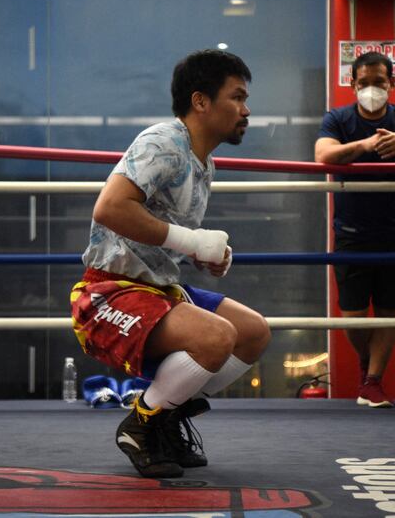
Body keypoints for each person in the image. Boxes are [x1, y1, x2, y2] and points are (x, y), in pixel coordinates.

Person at [70, 49, 270, 477]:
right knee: (217, 338)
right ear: (201, 101)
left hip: (157, 289)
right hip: (108, 294)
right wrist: (191, 240)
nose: (245, 109)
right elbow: (109, 208)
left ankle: (168, 412)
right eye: (236, 97)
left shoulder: (204, 163)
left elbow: (165, 234)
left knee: (253, 333)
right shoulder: (163, 143)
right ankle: (143, 425)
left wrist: (207, 254)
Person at [314, 52, 395, 408]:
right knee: (352, 314)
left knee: (389, 308)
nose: (371, 89)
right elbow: (323, 154)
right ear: (353, 84)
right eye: (364, 82)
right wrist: (365, 146)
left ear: (391, 84)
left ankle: (372, 381)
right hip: (352, 230)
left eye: (379, 82)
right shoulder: (338, 118)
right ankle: (367, 362)